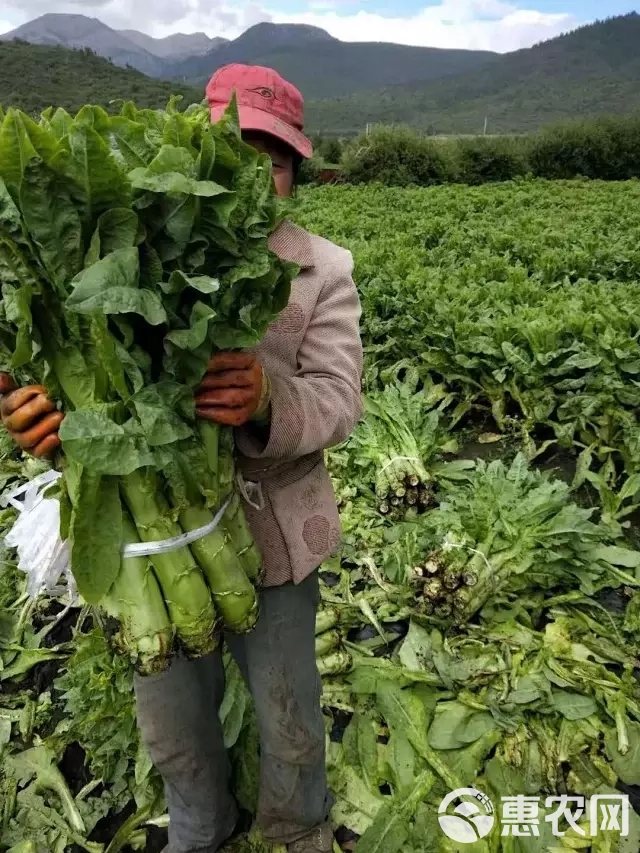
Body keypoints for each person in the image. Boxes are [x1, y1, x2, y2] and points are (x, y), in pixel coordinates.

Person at [0, 64, 363, 853]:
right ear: (188, 157)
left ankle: (295, 827)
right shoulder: (139, 250)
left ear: (294, 175)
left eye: (270, 158)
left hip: (274, 539)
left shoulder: (324, 269)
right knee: (170, 718)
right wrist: (41, 420)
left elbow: (341, 400)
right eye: (229, 148)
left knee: (289, 707)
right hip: (154, 548)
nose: (249, 172)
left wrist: (270, 397)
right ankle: (200, 825)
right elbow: (76, 389)